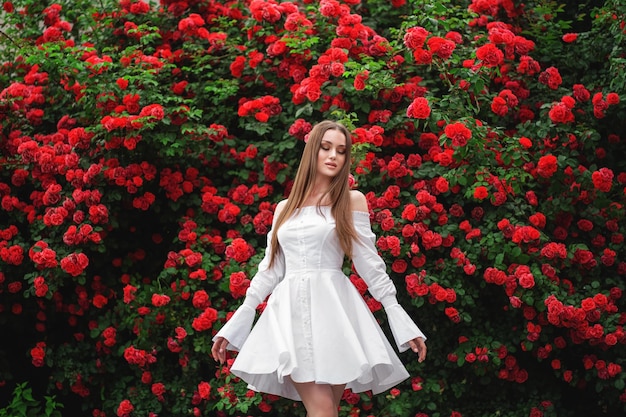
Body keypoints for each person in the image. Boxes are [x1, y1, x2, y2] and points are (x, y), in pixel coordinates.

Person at [211, 120, 427, 417]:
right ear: (312, 151)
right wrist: (238, 322)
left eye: (340, 150)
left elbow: (369, 264)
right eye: (325, 148)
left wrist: (397, 315)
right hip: (290, 313)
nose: (333, 156)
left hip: (335, 315)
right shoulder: (284, 208)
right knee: (323, 410)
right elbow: (271, 269)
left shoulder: (351, 201)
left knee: (328, 411)